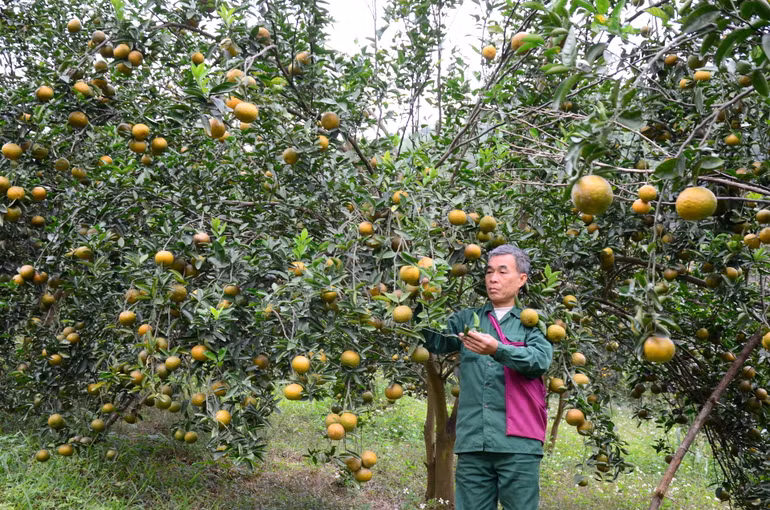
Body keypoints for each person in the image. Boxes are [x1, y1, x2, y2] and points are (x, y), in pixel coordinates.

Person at [421, 244, 553, 510]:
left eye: (503, 272)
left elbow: (540, 361)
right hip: (473, 443)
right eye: (490, 272)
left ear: (522, 280)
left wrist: (498, 350)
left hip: (518, 443)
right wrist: (419, 298)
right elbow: (432, 339)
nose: (493, 278)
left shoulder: (532, 323)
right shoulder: (467, 321)